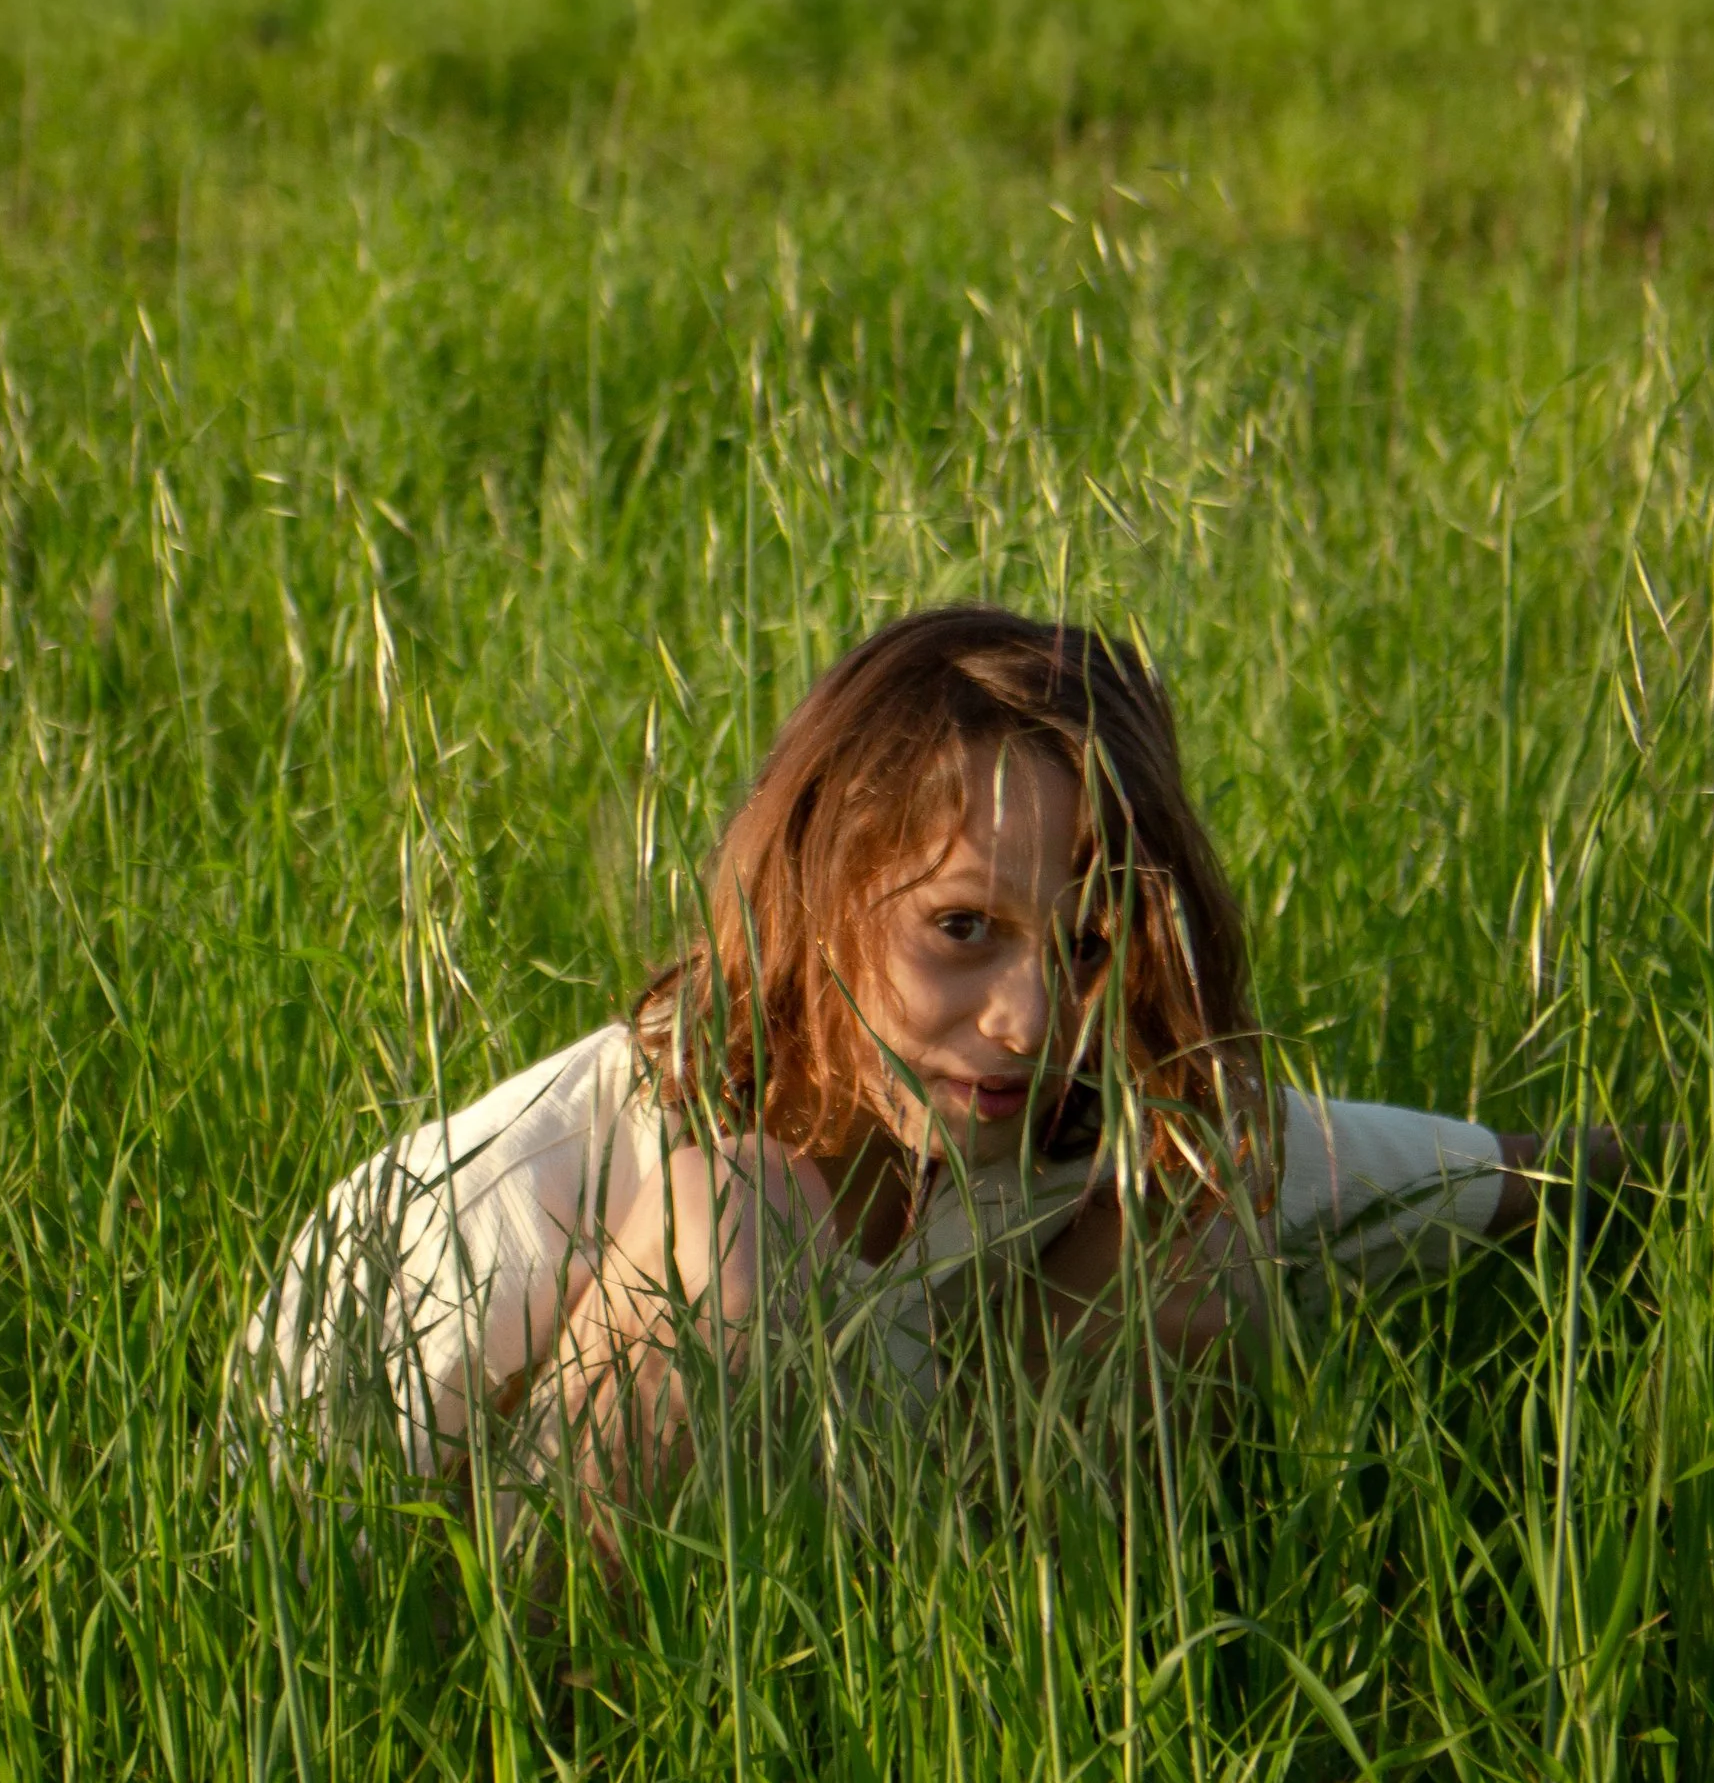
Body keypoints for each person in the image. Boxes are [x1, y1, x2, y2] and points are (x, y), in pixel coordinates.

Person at [253, 607, 1626, 1518]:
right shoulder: (559, 1159)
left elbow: (1492, 1175)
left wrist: (1674, 1180)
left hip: (920, 1638)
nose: (1030, 1020)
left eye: (1085, 947)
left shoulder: (1084, 1121)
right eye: (960, 927)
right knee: (727, 1230)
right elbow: (299, 1522)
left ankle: (1070, 1739)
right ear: (819, 890)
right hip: (562, 1706)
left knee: (1193, 1189)